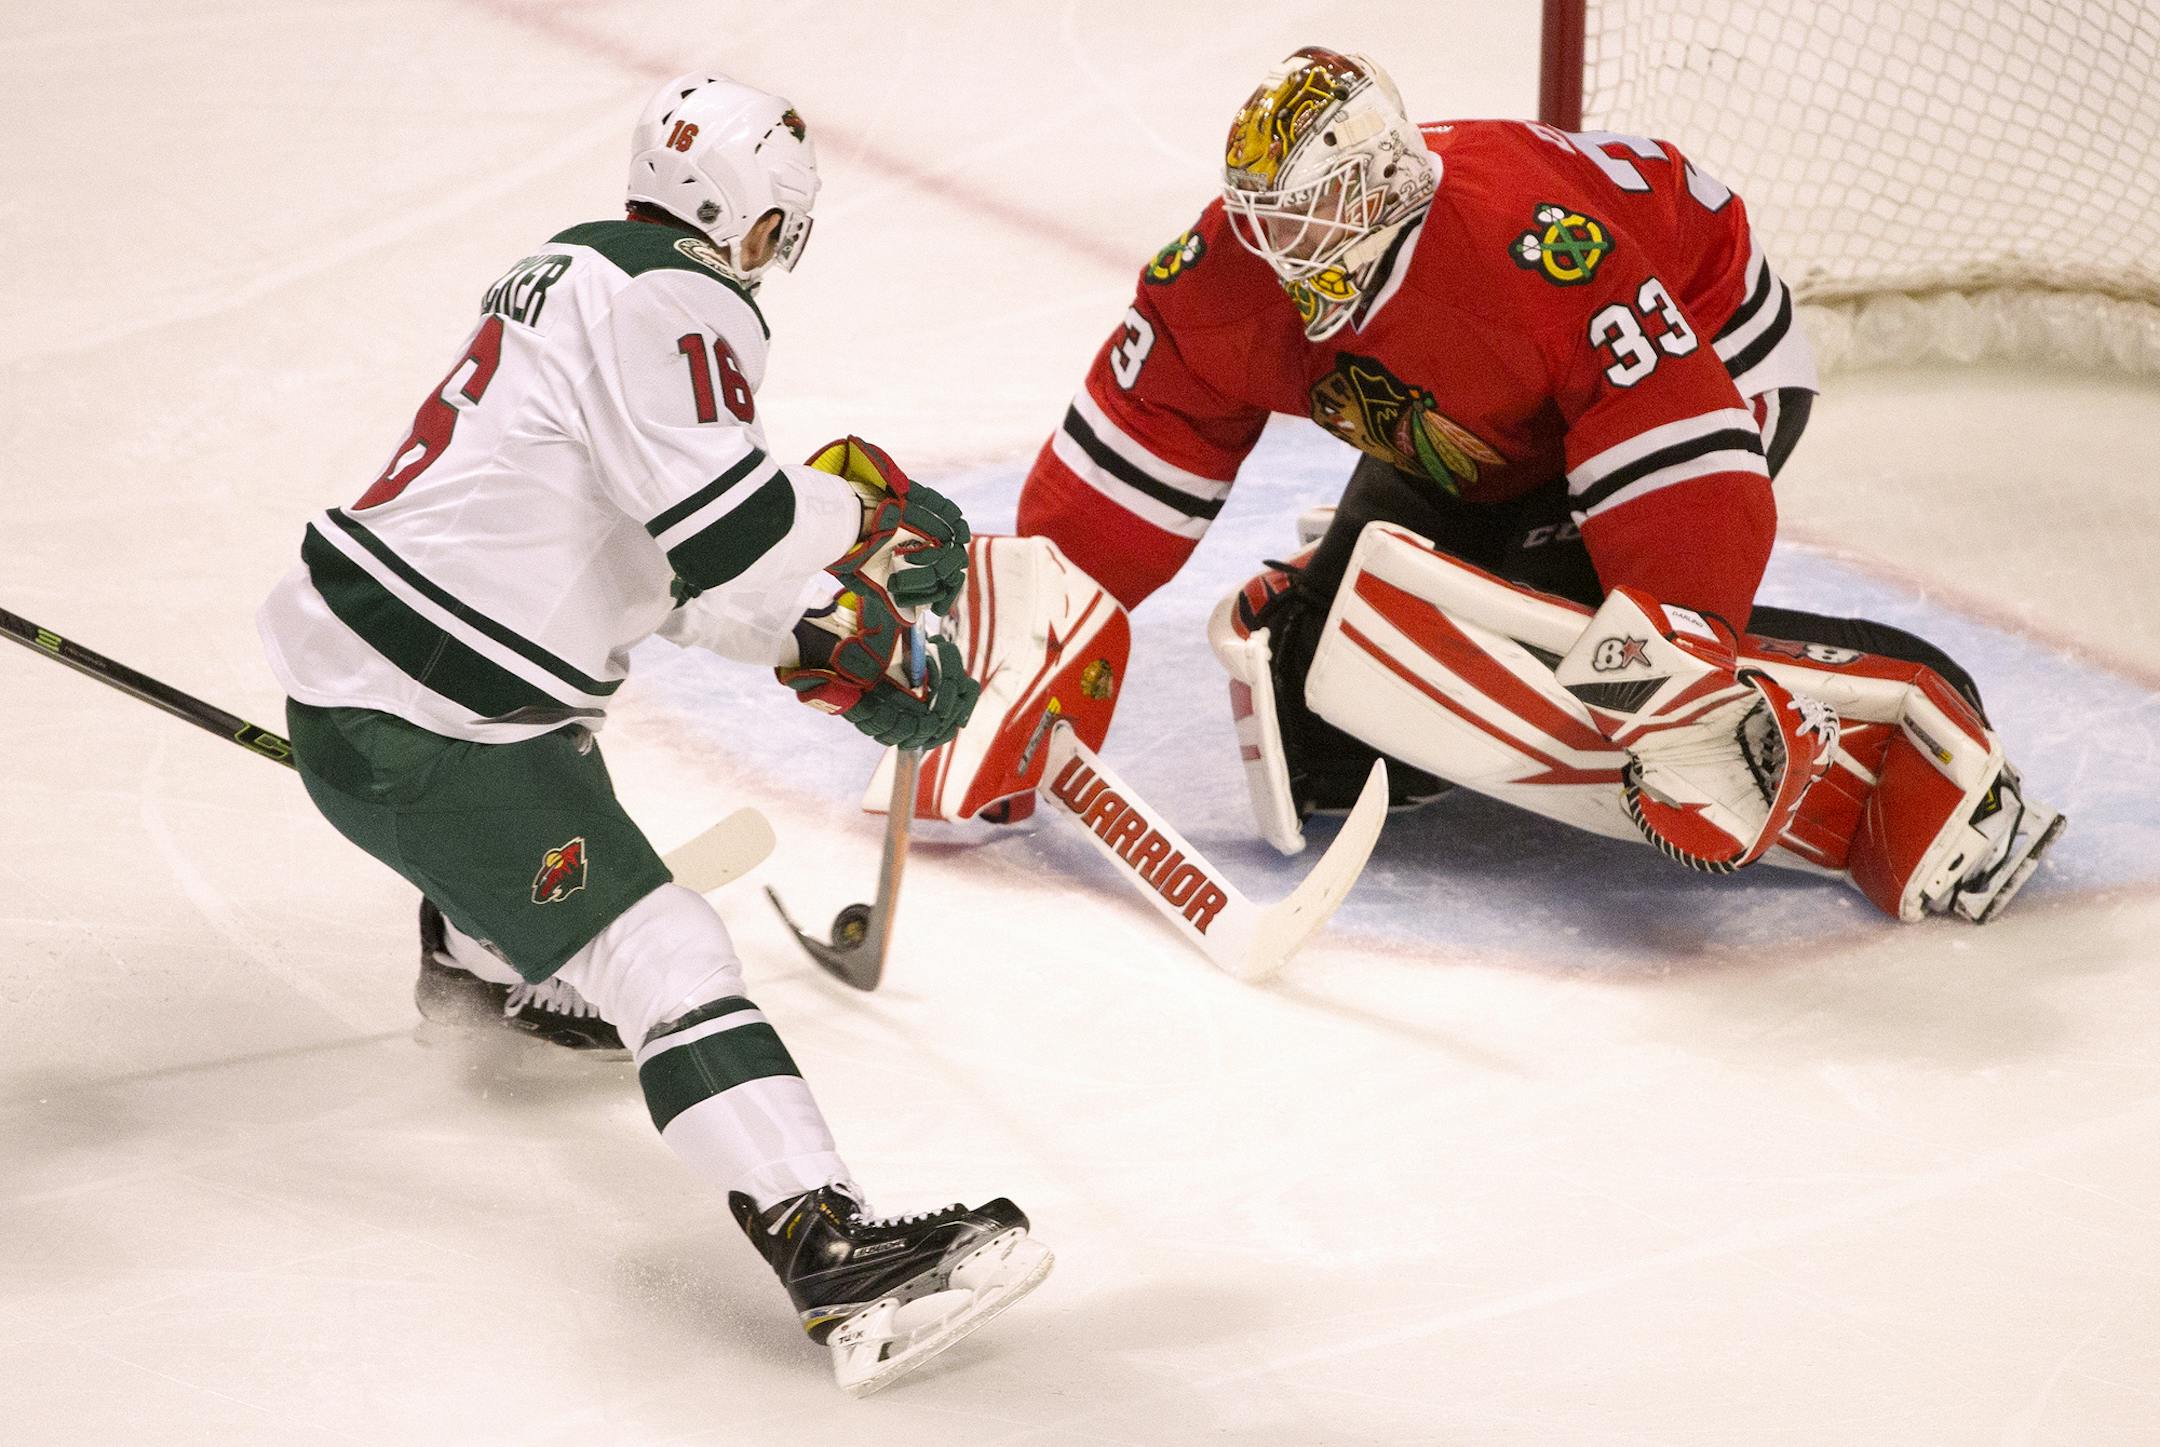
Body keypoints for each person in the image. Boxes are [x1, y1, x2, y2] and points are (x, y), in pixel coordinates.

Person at [257, 71, 1049, 1395]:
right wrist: (867, 591)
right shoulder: (679, 300)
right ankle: (831, 1247)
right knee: (663, 941)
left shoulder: (576, 279)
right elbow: (727, 536)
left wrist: (834, 593)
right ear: (745, 220)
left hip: (390, 673)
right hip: (433, 713)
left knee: (564, 722)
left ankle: (482, 951)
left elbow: (652, 566)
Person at [1004, 46, 2062, 924]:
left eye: (1311, 216)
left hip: (1707, 357)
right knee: (1321, 711)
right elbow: (1151, 421)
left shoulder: (1531, 251)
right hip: (1486, 425)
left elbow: (1668, 425)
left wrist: (1671, 629)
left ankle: (1915, 751)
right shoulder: (1236, 270)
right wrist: (1037, 612)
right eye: (1266, 218)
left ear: (1383, 186)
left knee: (1577, 647)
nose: (1280, 250)